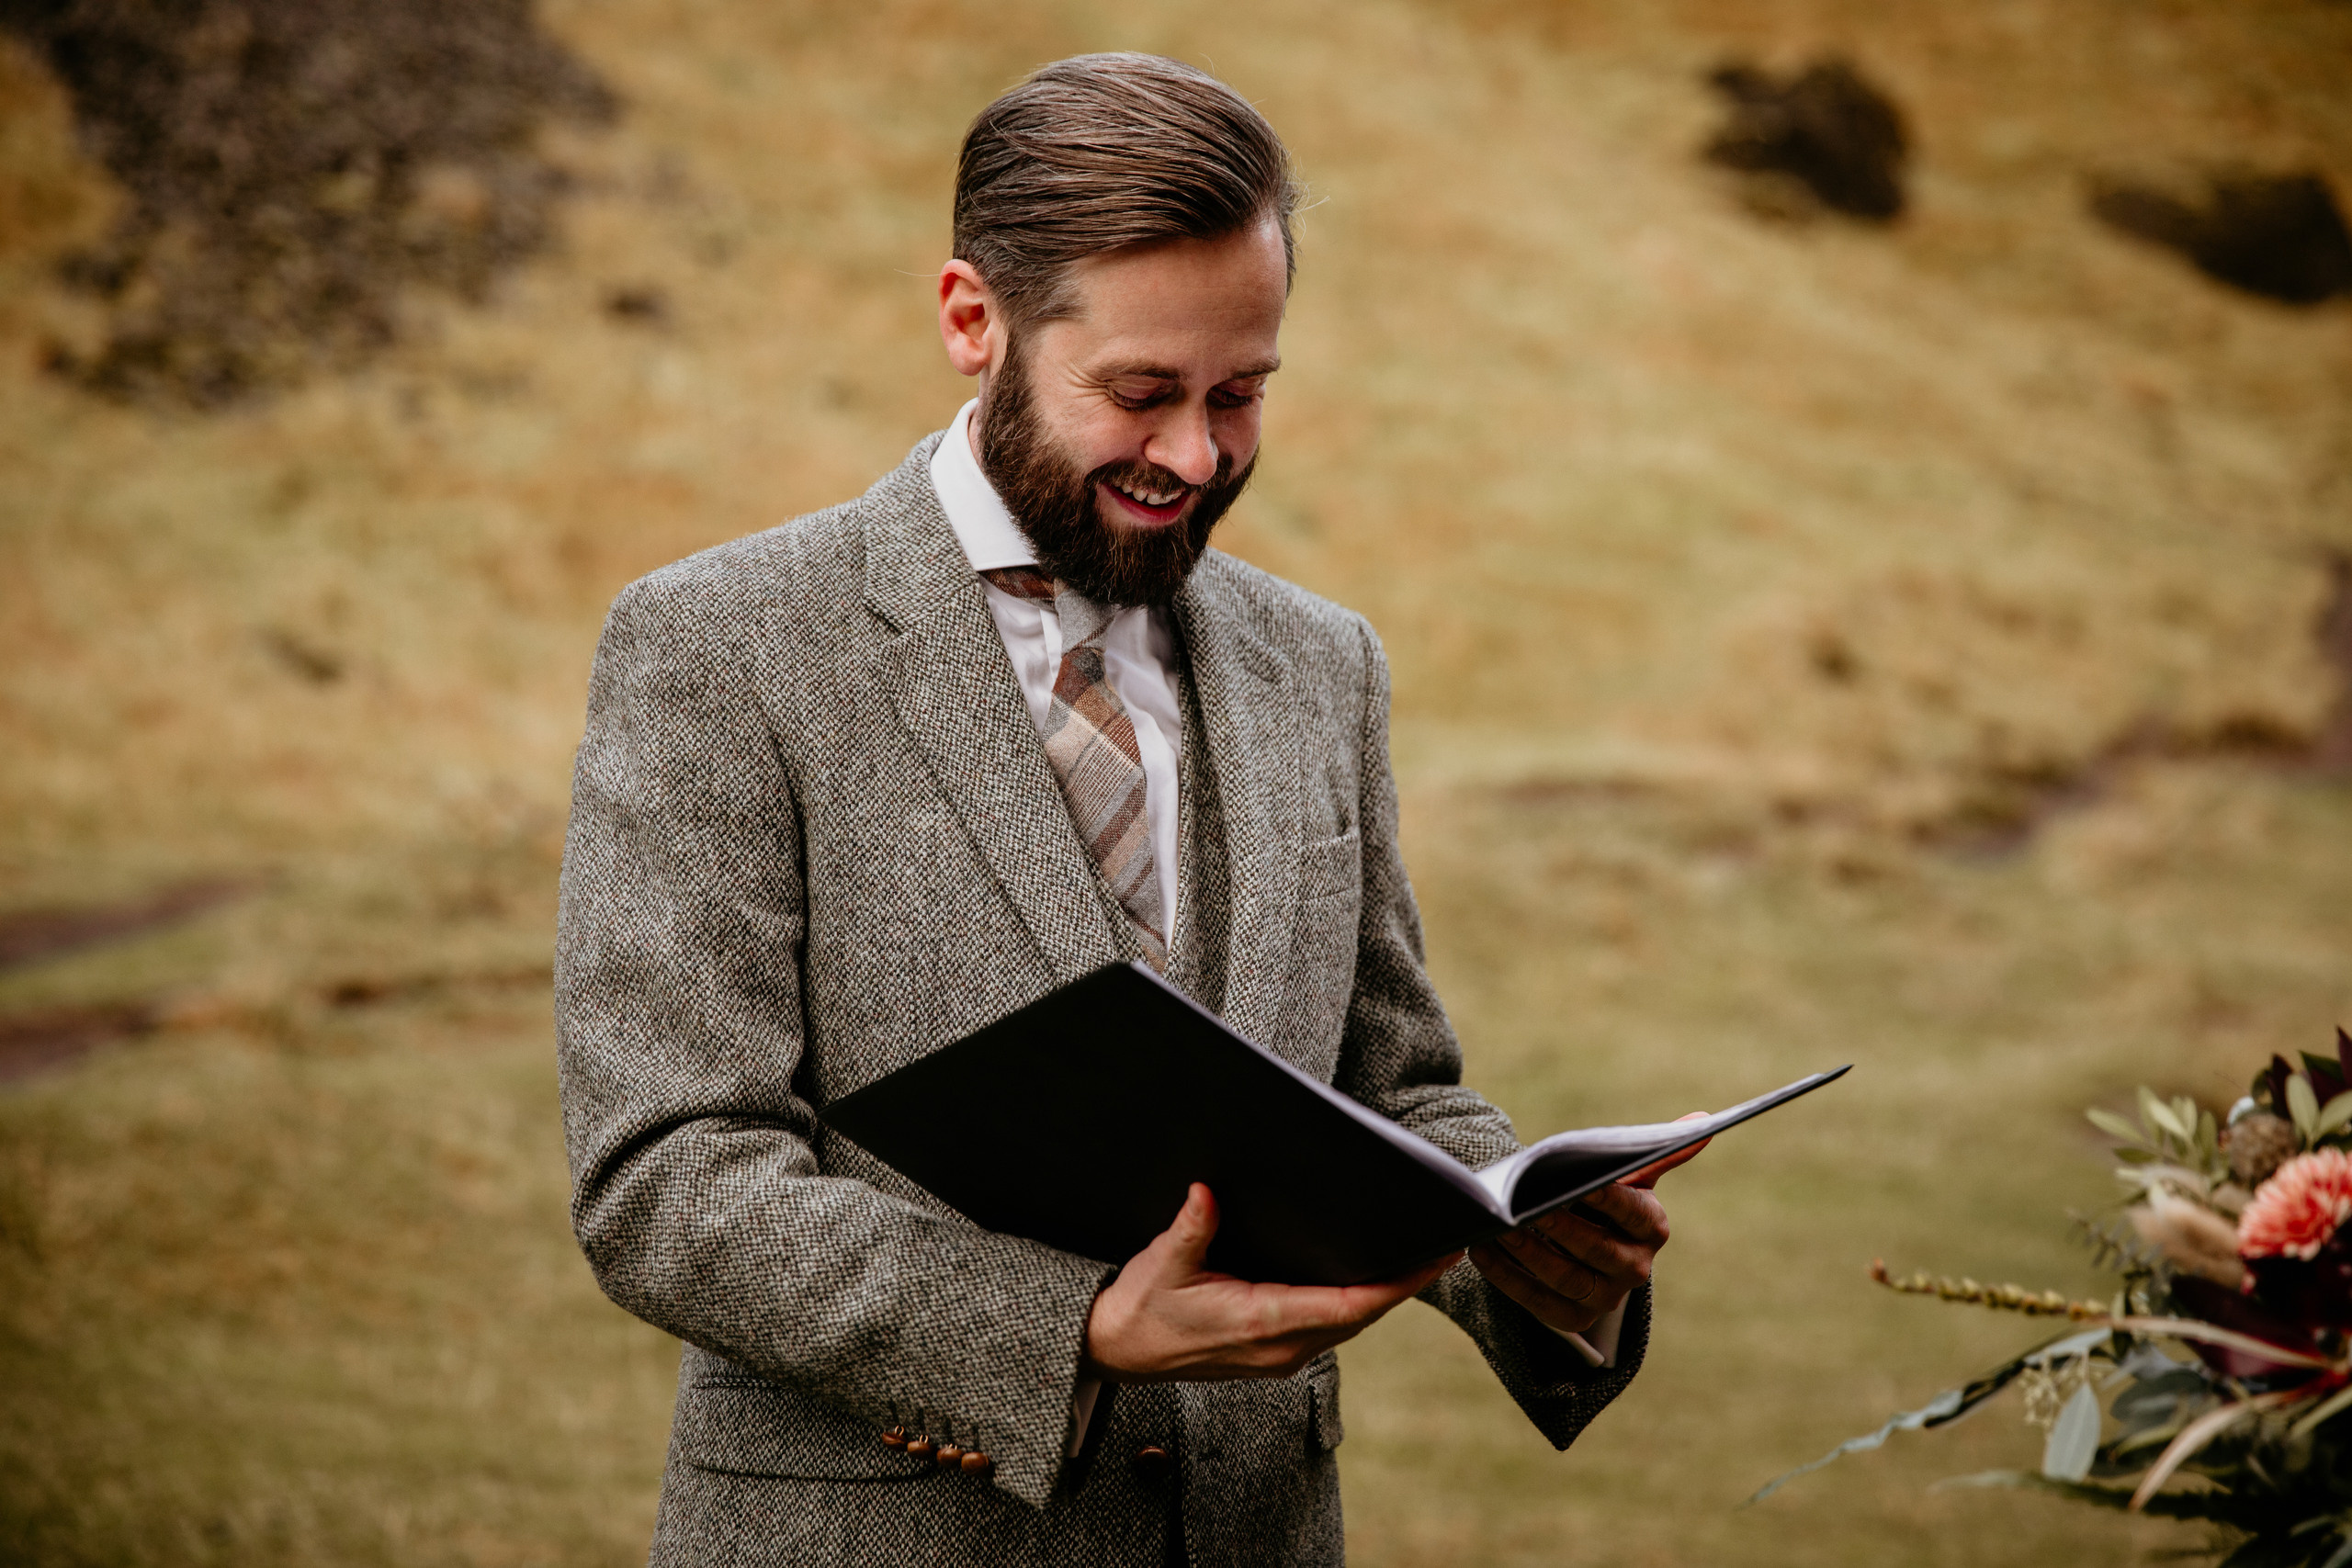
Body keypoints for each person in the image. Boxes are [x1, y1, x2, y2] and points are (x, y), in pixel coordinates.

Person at [556, 51, 1695, 1568]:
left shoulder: (1325, 663)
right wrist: (1069, 1330)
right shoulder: (723, 645)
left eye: (1242, 393)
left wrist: (1527, 1244)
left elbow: (1390, 1083)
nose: (1198, 456)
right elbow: (668, 1171)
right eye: (1142, 393)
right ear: (974, 320)